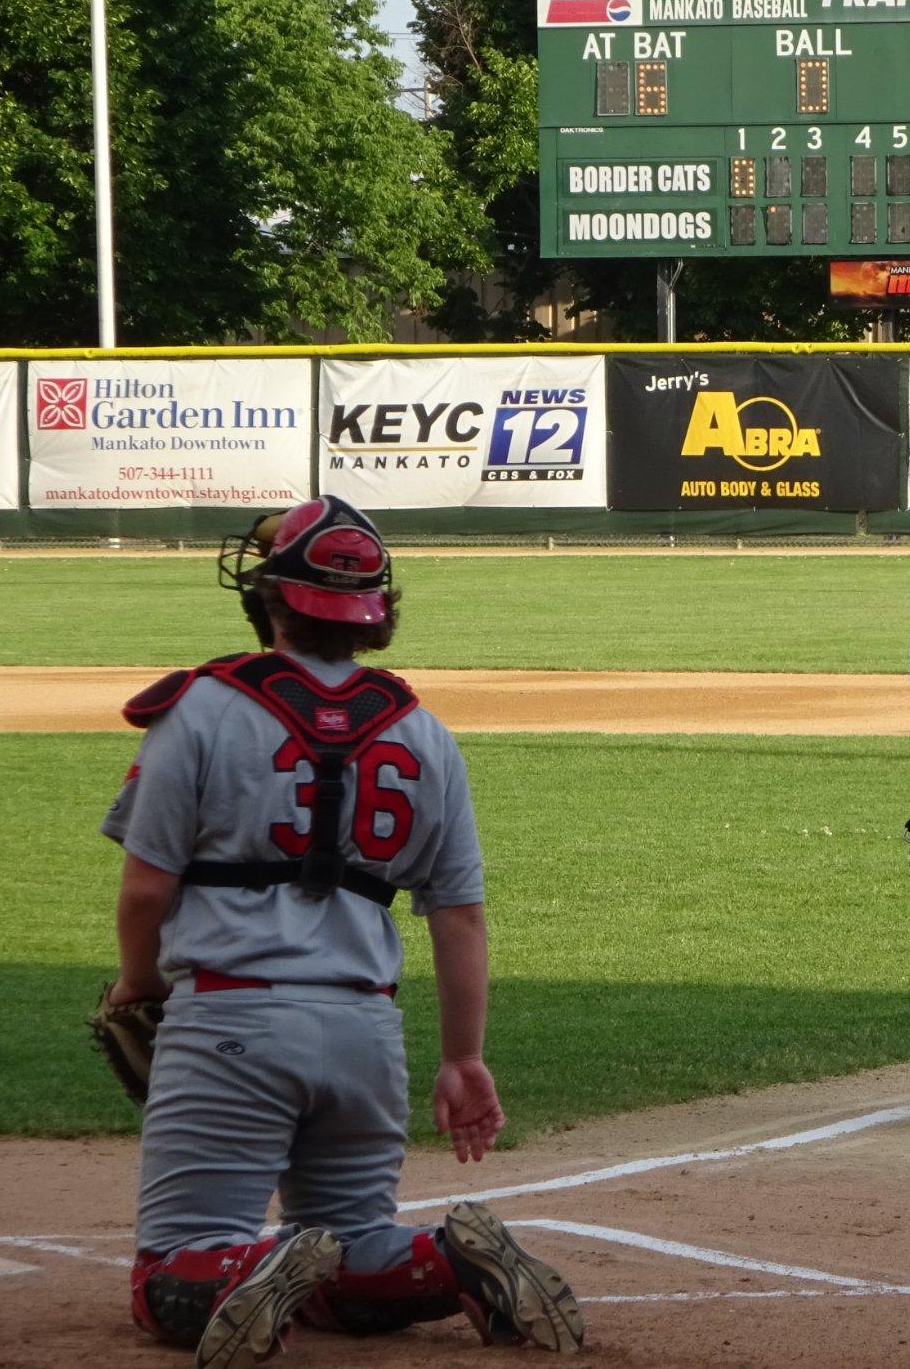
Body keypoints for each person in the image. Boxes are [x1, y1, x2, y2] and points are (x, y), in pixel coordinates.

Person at [103, 495, 586, 1369]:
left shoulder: (204, 707)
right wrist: (462, 1059)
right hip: (365, 1028)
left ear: (272, 599)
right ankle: (448, 1261)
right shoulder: (422, 731)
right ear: (376, 614)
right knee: (353, 1243)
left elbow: (146, 888)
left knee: (172, 1276)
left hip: (230, 1022)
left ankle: (253, 1261)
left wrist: (137, 982)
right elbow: (460, 914)